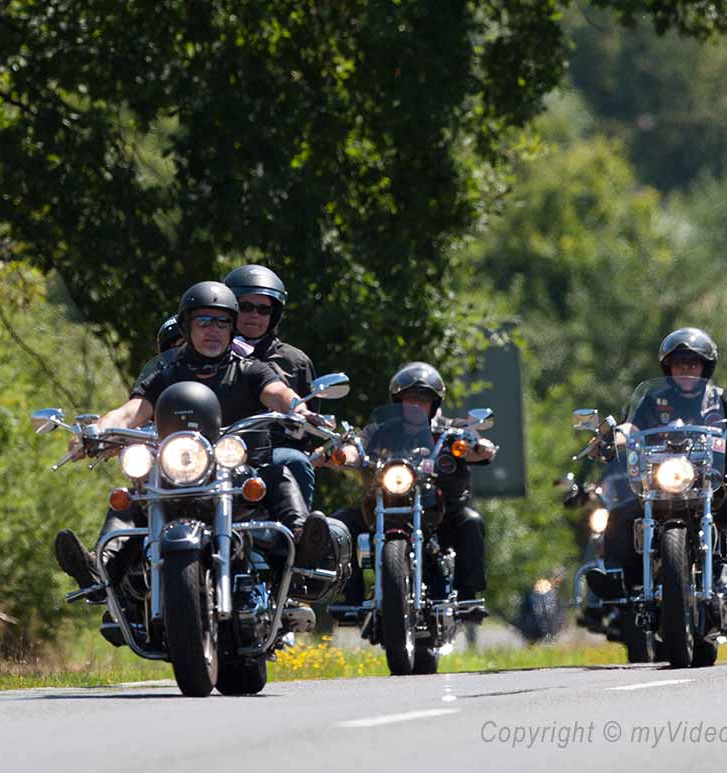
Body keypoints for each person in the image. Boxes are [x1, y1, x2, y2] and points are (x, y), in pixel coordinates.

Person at [52, 281, 345, 607]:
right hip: (178, 470)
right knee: (134, 495)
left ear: (232, 328)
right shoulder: (168, 374)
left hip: (235, 469)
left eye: (222, 322)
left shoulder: (250, 370)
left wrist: (297, 408)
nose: (213, 331)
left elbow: (276, 392)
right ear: (187, 325)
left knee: (278, 472)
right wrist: (96, 430)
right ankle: (101, 569)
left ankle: (303, 546)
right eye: (204, 321)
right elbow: (131, 411)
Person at [586, 328, 727, 599]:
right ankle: (617, 577)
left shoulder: (718, 397)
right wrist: (614, 436)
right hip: (661, 481)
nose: (686, 369)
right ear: (668, 367)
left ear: (704, 367)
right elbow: (631, 426)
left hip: (709, 482)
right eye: (679, 363)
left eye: (693, 363)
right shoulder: (654, 400)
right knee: (619, 514)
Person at [332, 362, 494, 620]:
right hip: (388, 503)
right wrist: (346, 454)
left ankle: (468, 596)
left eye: (423, 399)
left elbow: (475, 445)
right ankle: (351, 598)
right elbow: (358, 445)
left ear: (434, 403)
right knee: (342, 523)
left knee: (471, 522)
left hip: (439, 510)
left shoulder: (450, 430)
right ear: (398, 401)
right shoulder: (381, 432)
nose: (416, 405)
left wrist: (480, 446)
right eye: (409, 399)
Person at [223, 265, 321, 508]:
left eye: (263, 309)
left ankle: (301, 536)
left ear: (273, 315)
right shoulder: (213, 353)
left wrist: (304, 417)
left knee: (295, 460)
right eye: (245, 307)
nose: (254, 315)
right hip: (216, 449)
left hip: (273, 450)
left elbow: (308, 426)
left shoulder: (294, 361)